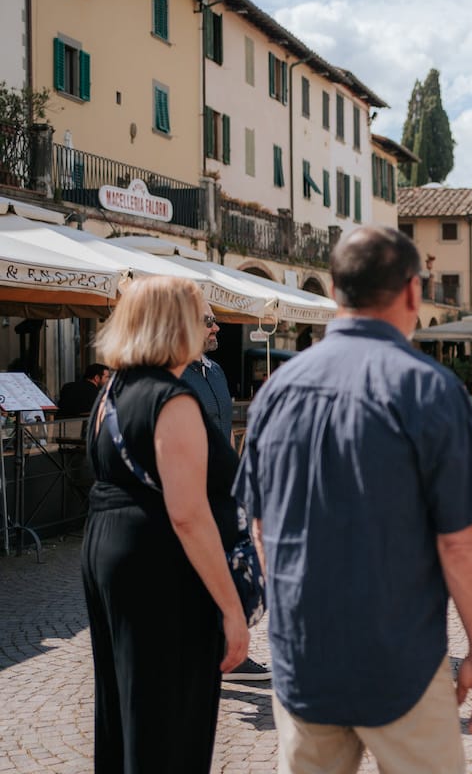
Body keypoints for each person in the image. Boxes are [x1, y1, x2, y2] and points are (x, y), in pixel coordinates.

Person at [234, 226, 472, 773]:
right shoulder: (428, 387)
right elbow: (459, 544)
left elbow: (261, 529)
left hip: (302, 656)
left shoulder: (276, 391)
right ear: (412, 292)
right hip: (397, 659)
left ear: (335, 290)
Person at [81, 276, 249, 773]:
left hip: (112, 554)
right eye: (202, 318)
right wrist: (231, 607)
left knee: (128, 710)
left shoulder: (113, 390)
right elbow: (188, 512)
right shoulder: (169, 398)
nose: (210, 327)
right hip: (161, 567)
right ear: (175, 326)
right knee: (166, 720)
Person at [180, 310, 271, 683]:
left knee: (224, 570)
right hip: (190, 491)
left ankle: (225, 652)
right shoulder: (174, 377)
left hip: (220, 490)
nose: (216, 327)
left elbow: (224, 429)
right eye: (207, 320)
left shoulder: (214, 371)